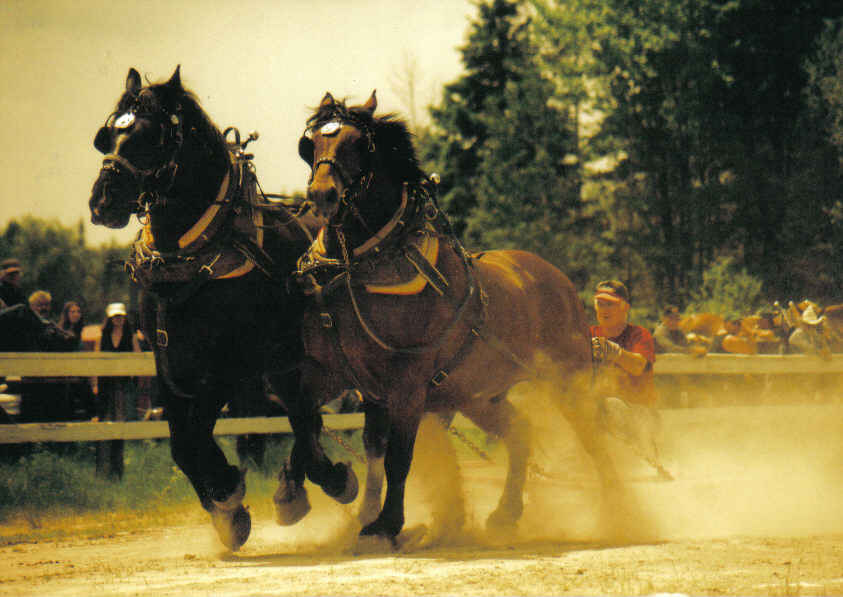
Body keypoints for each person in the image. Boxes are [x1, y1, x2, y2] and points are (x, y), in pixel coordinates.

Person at [589, 280, 671, 479]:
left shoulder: (638, 335)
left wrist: (613, 351)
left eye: (611, 304)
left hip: (641, 414)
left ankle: (652, 464)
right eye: (601, 304)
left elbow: (638, 366)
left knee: (612, 406)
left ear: (625, 307)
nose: (604, 309)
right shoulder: (589, 334)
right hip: (599, 411)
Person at [92, 302, 141, 480]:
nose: (118, 319)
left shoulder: (131, 336)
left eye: (120, 316)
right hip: (105, 385)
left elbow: (138, 359)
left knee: (119, 425)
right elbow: (96, 362)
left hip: (122, 385)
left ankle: (117, 470)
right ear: (110, 318)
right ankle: (101, 470)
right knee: (103, 423)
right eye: (115, 317)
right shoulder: (102, 336)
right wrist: (95, 385)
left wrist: (132, 377)